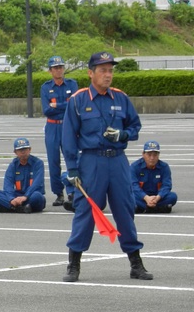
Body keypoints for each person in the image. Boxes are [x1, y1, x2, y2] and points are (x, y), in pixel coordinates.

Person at [61, 51, 152, 282]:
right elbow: (68, 137)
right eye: (103, 70)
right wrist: (72, 168)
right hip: (91, 161)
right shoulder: (78, 100)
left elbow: (135, 126)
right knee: (86, 211)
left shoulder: (121, 98)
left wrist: (123, 134)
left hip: (118, 160)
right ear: (91, 73)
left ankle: (136, 263)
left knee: (125, 209)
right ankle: (74, 264)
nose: (108, 74)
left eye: (110, 70)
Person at [40, 56, 78, 207]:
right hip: (52, 126)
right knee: (53, 161)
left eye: (61, 67)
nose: (59, 70)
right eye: (55, 68)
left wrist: (56, 105)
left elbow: (74, 106)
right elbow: (47, 110)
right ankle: (58, 193)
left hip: (68, 125)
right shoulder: (45, 87)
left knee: (71, 158)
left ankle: (73, 191)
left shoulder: (72, 84)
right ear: (50, 71)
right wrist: (64, 104)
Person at [0, 137, 46, 214]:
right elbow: (8, 185)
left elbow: (37, 184)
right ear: (15, 152)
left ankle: (10, 207)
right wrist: (11, 199)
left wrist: (25, 196)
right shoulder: (13, 165)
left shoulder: (38, 163)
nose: (23, 152)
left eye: (25, 149)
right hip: (17, 196)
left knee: (38, 196)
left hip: (31, 196)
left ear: (30, 149)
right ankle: (20, 208)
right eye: (20, 150)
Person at [130, 140, 178, 213]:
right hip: (141, 197)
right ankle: (158, 208)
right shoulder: (134, 167)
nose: (152, 158)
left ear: (158, 155)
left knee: (172, 196)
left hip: (157, 197)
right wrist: (146, 198)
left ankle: (144, 208)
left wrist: (157, 198)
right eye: (149, 154)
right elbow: (133, 186)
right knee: (127, 196)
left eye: (155, 155)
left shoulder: (164, 167)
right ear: (143, 154)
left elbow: (167, 185)